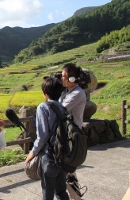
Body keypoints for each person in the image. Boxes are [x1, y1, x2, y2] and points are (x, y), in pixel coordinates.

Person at [25, 77, 69, 200]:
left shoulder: (43, 107)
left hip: (49, 155)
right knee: (61, 191)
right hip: (63, 153)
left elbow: (43, 135)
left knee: (47, 192)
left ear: (45, 94)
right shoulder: (63, 107)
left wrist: (32, 152)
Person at [59, 63, 86, 200]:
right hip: (65, 137)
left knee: (67, 172)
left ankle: (75, 198)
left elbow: (60, 109)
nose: (61, 78)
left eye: (63, 76)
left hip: (72, 139)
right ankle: (76, 198)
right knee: (69, 173)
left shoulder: (77, 93)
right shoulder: (66, 93)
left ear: (71, 79)